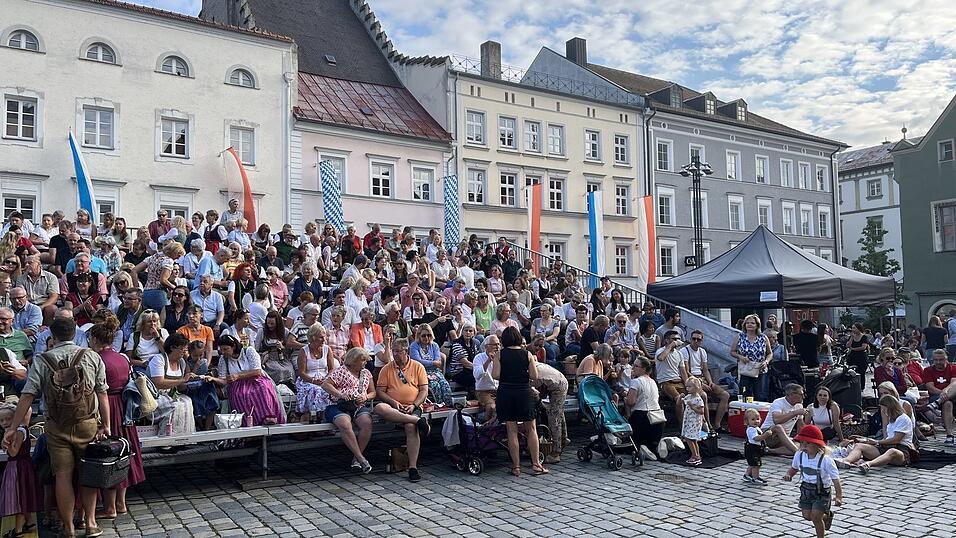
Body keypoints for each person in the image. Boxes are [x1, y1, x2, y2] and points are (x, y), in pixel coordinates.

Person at [3, 317, 109, 538]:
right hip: (87, 423)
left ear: (53, 336)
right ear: (74, 334)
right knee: (88, 473)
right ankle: (90, 523)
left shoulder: (43, 360)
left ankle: (68, 528)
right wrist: (106, 424)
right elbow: (102, 392)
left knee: (62, 475)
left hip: (56, 425)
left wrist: (13, 427)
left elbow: (27, 395)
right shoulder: (91, 356)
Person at [87, 318, 145, 519]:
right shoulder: (122, 358)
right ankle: (120, 503)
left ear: (95, 339)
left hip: (108, 407)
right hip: (123, 407)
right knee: (124, 453)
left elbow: (97, 389)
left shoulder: (97, 359)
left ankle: (110, 507)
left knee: (109, 455)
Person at [374, 338, 432, 482]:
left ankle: (413, 467)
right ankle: (418, 421)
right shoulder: (387, 368)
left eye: (398, 351)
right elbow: (380, 391)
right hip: (394, 407)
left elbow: (424, 390)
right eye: (393, 351)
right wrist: (393, 402)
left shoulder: (417, 366)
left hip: (412, 405)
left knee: (411, 428)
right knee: (379, 407)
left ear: (406, 351)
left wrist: (414, 405)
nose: (394, 354)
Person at [493, 326, 547, 477]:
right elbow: (535, 376)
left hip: (506, 392)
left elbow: (496, 375)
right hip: (524, 392)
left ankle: (516, 467)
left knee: (512, 431)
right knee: (531, 429)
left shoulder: (500, 354)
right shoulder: (527, 354)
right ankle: (536, 464)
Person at [209, 334, 285, 426]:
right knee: (240, 395)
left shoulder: (248, 351)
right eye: (221, 350)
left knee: (262, 388)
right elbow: (224, 381)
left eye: (226, 349)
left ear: (233, 346)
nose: (223, 352)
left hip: (256, 380)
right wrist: (213, 379)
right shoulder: (223, 360)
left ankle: (268, 417)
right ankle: (247, 424)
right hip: (237, 385)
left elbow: (257, 371)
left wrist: (238, 376)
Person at [321, 347, 376, 474]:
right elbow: (325, 384)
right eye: (362, 360)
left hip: (358, 405)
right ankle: (361, 459)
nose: (365, 363)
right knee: (345, 424)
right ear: (353, 360)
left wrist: (366, 396)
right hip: (338, 405)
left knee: (367, 423)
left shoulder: (366, 373)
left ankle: (356, 458)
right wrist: (340, 394)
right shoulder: (341, 371)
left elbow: (373, 392)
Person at [783, 425, 843, 538]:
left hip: (821, 492)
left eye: (808, 444)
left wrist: (839, 496)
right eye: (802, 444)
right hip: (806, 491)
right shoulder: (799, 455)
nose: (804, 447)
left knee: (816, 517)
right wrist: (789, 474)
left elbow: (835, 479)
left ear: (817, 445)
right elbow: (794, 468)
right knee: (807, 516)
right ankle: (826, 516)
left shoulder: (826, 460)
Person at [840, 395, 918, 473]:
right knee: (859, 446)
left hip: (901, 450)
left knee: (892, 451)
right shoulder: (891, 420)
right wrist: (865, 439)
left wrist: (876, 442)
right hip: (886, 447)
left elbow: (896, 440)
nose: (883, 411)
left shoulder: (903, 419)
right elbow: (886, 438)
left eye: (884, 409)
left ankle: (868, 464)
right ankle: (846, 461)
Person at [0, 401, 41, 537]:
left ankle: (17, 531)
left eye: (8, 419)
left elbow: (13, 452)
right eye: (1, 420)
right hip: (19, 466)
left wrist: (6, 442)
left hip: (18, 467)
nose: (5, 423)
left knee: (19, 498)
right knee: (24, 494)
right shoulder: (19, 430)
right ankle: (28, 522)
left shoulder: (18, 432)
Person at [148, 334, 196, 437]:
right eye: (182, 349)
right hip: (155, 396)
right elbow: (159, 382)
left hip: (171, 394)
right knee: (175, 406)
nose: (184, 352)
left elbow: (180, 387)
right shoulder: (159, 359)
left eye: (185, 349)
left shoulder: (182, 363)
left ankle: (184, 437)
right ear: (172, 348)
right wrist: (182, 380)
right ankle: (166, 440)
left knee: (187, 401)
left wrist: (191, 382)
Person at [682, 330, 729, 431]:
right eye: (694, 339)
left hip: (702, 377)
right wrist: (701, 384)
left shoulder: (702, 351)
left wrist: (710, 381)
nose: (696, 341)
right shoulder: (684, 351)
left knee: (725, 395)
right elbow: (686, 371)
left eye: (698, 339)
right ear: (690, 339)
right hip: (692, 380)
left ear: (701, 341)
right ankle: (707, 424)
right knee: (703, 396)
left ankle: (717, 424)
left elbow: (705, 369)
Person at [296, 323, 338, 424]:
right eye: (321, 337)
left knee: (328, 389)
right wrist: (314, 381)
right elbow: (301, 373)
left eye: (324, 337)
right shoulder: (303, 351)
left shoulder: (327, 349)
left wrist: (327, 378)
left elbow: (331, 369)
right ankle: (315, 418)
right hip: (308, 379)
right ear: (313, 337)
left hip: (324, 378)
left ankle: (326, 418)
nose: (324, 340)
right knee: (315, 390)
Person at [626, 355, 664, 461]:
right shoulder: (653, 382)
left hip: (643, 418)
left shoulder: (636, 381)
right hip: (658, 418)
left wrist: (626, 397)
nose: (633, 368)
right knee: (650, 443)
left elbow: (630, 402)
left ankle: (641, 448)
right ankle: (653, 447)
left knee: (630, 444)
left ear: (644, 369)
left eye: (636, 366)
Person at [534, 362, 569, 463]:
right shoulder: (533, 364)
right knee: (559, 414)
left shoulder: (531, 371)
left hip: (559, 386)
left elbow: (534, 391)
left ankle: (556, 452)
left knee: (554, 418)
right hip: (558, 383)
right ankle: (564, 439)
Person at [731, 314, 771, 400]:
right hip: (745, 369)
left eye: (752, 323)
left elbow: (770, 353)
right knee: (745, 394)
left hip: (760, 369)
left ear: (757, 325)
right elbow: (732, 352)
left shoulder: (763, 337)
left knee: (760, 395)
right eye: (747, 323)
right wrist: (740, 357)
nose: (749, 325)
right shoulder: (740, 336)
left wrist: (766, 361)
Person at [761, 383, 805, 456]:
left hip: (784, 438)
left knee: (800, 446)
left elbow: (800, 426)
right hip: (768, 434)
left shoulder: (799, 406)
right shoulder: (778, 402)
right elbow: (777, 420)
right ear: (792, 395)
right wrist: (794, 413)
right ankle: (798, 453)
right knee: (778, 427)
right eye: (801, 394)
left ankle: (770, 451)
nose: (803, 397)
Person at [923, 348, 956, 445]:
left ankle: (937, 403)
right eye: (935, 360)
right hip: (936, 396)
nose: (938, 362)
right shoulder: (928, 370)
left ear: (946, 359)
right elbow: (930, 388)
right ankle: (949, 435)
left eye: (940, 360)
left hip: (948, 395)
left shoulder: (953, 368)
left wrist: (946, 391)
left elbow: (953, 383)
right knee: (947, 403)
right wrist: (943, 394)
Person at [473, 335, 500, 420]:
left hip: (500, 390)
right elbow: (477, 375)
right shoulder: (479, 357)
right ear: (486, 346)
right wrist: (488, 361)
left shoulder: (502, 357)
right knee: (492, 407)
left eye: (498, 344)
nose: (497, 347)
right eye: (494, 345)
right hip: (484, 391)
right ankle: (487, 429)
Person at [743, 408, 772, 485]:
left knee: (752, 463)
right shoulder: (751, 430)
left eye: (757, 419)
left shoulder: (756, 428)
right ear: (747, 421)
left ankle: (747, 475)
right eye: (753, 419)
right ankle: (755, 478)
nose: (756, 421)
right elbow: (756, 438)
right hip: (752, 449)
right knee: (756, 465)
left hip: (756, 449)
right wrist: (765, 435)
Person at [681, 377, 705, 466]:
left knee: (689, 438)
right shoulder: (689, 397)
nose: (687, 389)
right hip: (688, 420)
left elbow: (702, 411)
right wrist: (681, 398)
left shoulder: (698, 399)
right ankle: (697, 455)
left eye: (689, 387)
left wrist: (693, 407)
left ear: (696, 387)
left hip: (694, 422)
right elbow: (683, 401)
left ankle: (695, 456)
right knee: (692, 439)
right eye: (686, 387)